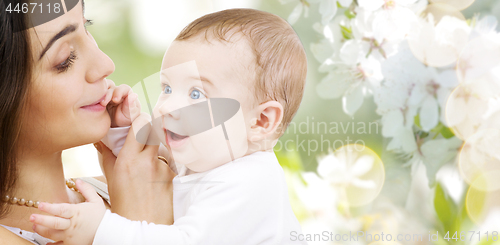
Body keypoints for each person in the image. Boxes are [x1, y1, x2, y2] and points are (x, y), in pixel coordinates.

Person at [30, 8, 308, 245]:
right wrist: (121, 131)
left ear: (261, 121)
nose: (165, 108)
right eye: (167, 88)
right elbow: (151, 163)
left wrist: (101, 230)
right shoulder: (211, 156)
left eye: (196, 94)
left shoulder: (250, 184)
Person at [0, 0, 174, 244]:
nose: (106, 65)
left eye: (87, 28)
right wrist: (138, 229)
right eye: (65, 60)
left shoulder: (135, 186)